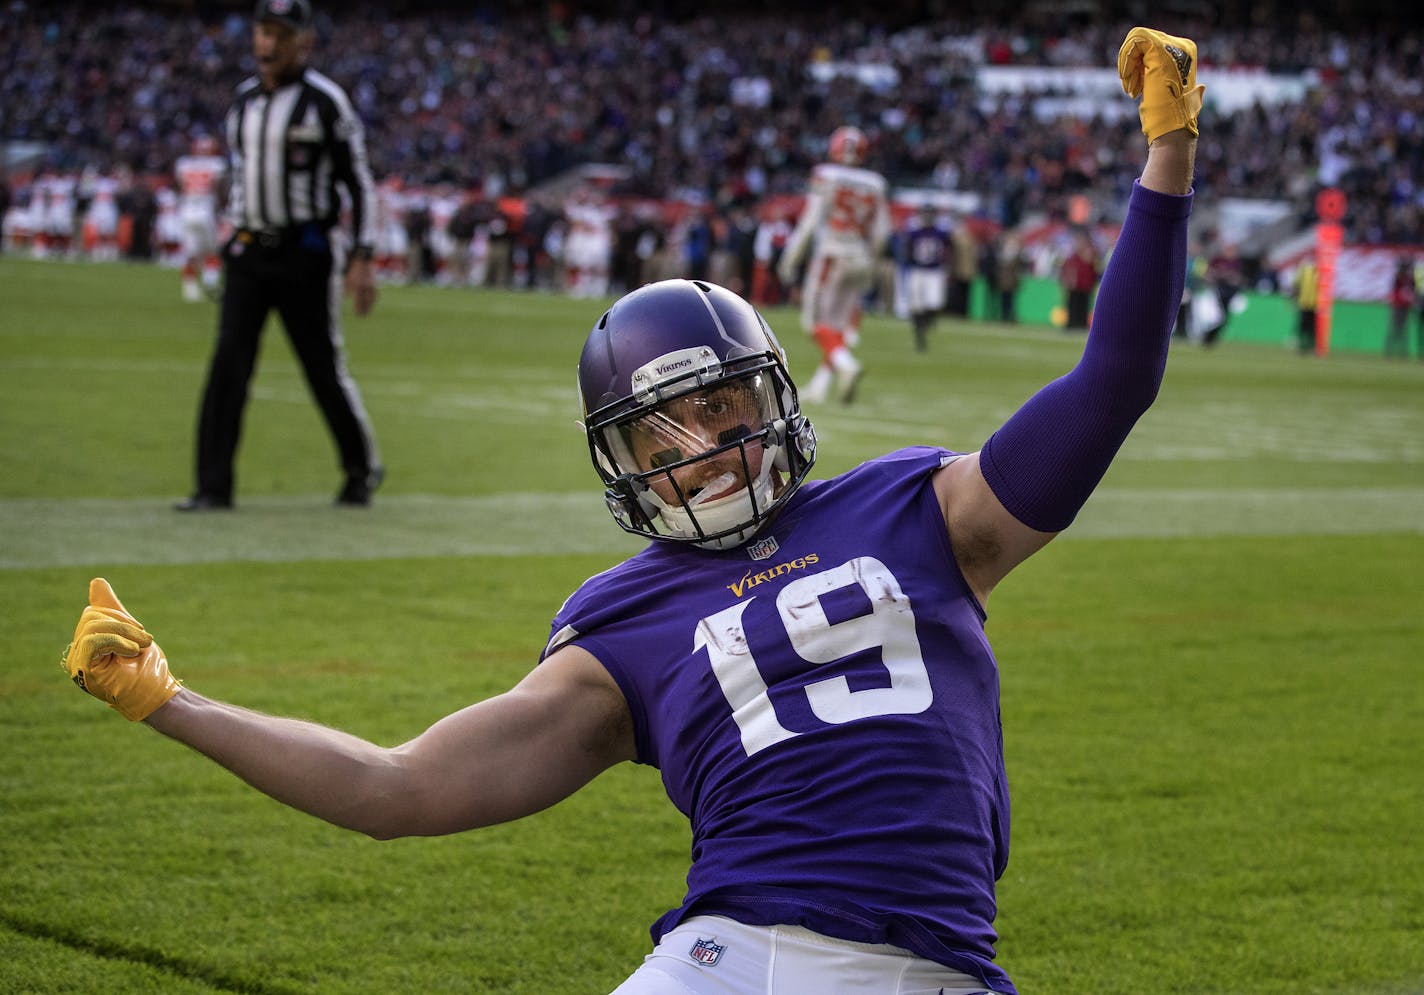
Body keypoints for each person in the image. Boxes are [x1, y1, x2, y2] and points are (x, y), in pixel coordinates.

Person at [60, 27, 1201, 995]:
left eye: (722, 406)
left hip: (943, 966)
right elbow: (394, 786)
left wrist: (1165, 152)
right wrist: (171, 698)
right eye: (662, 431)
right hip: (736, 957)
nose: (703, 447)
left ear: (773, 400)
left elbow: (1112, 381)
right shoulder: (620, 622)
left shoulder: (921, 507)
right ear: (622, 463)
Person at [176, 0, 382, 511]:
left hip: (305, 253)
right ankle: (212, 487)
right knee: (228, 366)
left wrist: (362, 256)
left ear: (303, 42)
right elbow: (244, 175)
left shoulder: (326, 103)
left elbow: (360, 183)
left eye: (280, 35)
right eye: (263, 32)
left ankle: (360, 470)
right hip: (248, 252)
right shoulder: (243, 102)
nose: (268, 44)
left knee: (321, 367)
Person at [777, 125, 890, 405]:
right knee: (837, 327)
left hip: (832, 254)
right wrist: (872, 263)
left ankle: (845, 364)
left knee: (814, 323)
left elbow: (811, 220)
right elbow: (883, 232)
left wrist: (791, 257)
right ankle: (822, 383)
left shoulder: (826, 175)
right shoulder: (876, 183)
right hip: (861, 256)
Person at [173, 133, 228, 302]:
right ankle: (210, 284)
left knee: (191, 253)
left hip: (186, 209)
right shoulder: (218, 164)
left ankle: (189, 290)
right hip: (206, 210)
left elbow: (181, 185)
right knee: (213, 250)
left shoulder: (183, 164)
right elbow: (221, 189)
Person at [902, 203, 950, 351]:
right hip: (918, 270)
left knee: (934, 304)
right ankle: (919, 336)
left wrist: (947, 266)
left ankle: (925, 324)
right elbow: (908, 249)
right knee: (917, 305)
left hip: (934, 271)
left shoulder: (941, 233)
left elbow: (949, 249)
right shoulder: (914, 233)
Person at [1060, 228, 1099, 330]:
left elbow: (1092, 266)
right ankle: (1071, 323)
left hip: (1085, 284)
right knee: (1072, 304)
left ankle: (1081, 324)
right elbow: (1067, 268)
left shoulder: (1089, 252)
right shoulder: (1072, 255)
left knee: (1083, 305)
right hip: (1074, 285)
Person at [1385, 256, 1414, 358]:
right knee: (1395, 328)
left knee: (1401, 329)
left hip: (1404, 306)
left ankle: (1400, 351)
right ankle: (1391, 350)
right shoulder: (1398, 278)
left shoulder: (1408, 279)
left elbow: (1411, 292)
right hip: (1398, 305)